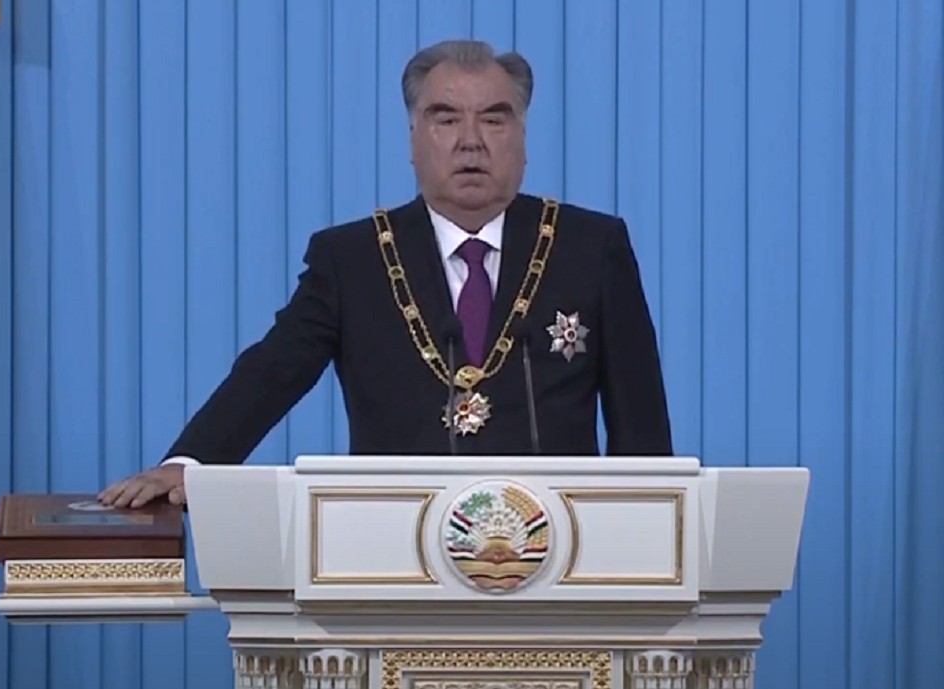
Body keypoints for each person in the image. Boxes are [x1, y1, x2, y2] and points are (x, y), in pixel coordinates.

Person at [98, 39, 672, 509]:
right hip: (392, 548)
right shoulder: (352, 259)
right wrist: (191, 462)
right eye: (445, 118)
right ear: (413, 139)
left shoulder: (590, 247)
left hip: (561, 552)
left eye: (494, 120)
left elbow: (640, 421)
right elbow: (273, 370)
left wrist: (651, 537)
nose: (471, 141)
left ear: (523, 139)